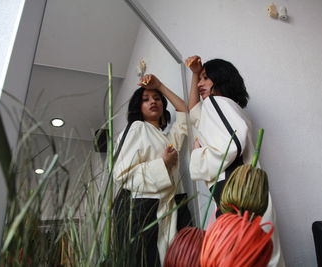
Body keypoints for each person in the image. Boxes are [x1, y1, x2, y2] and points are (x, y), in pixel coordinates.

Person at [186, 56, 285, 267]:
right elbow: (193, 111)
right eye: (199, 79)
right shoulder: (227, 107)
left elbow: (233, 145)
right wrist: (195, 73)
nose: (199, 84)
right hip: (250, 191)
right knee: (263, 257)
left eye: (205, 78)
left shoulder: (215, 103)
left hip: (236, 194)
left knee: (241, 258)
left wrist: (198, 154)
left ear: (219, 79)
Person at [113, 74, 190, 266]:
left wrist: (160, 86)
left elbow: (184, 112)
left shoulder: (166, 138)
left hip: (171, 209)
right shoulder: (136, 128)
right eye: (145, 100)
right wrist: (162, 163)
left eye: (156, 99)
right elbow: (121, 173)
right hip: (147, 211)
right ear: (138, 107)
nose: (152, 102)